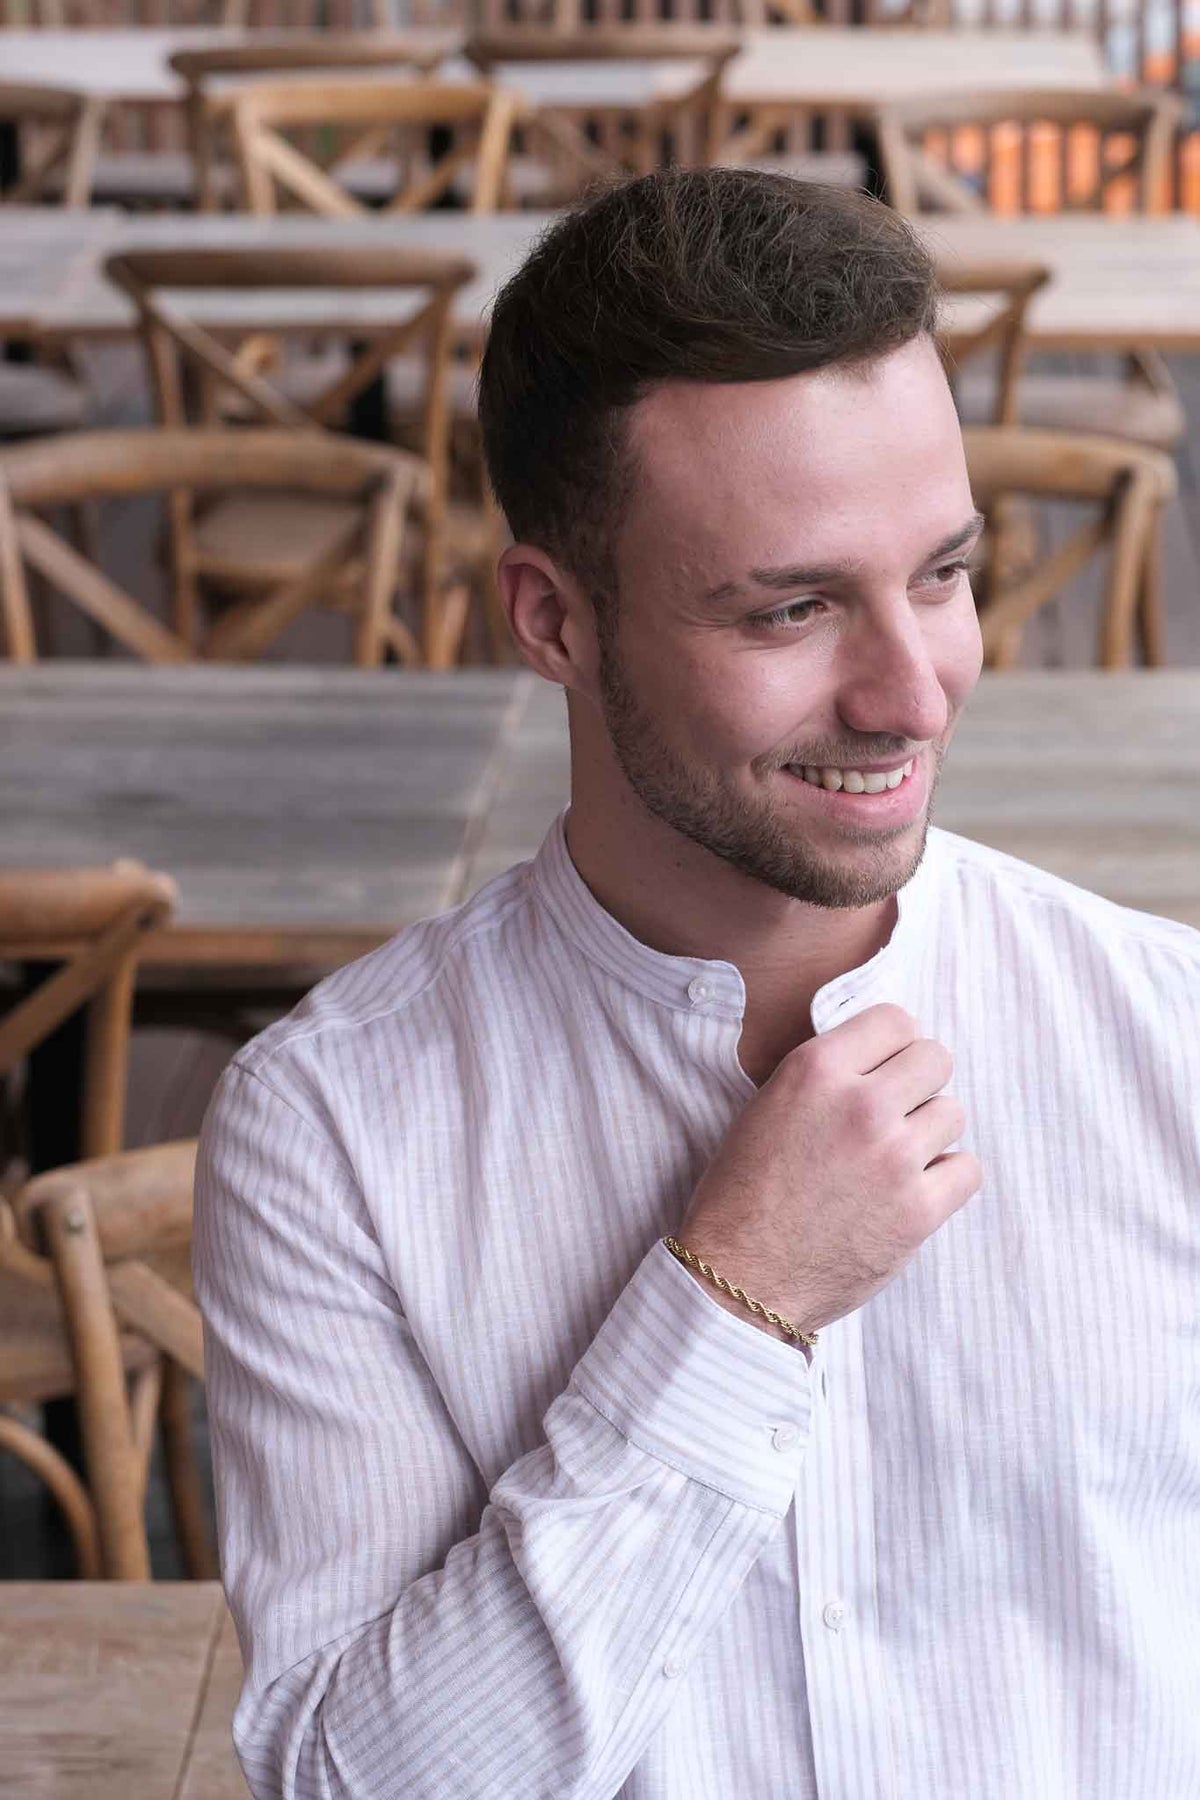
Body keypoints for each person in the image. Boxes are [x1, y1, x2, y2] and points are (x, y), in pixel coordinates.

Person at [194, 170, 1200, 1800]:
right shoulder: (331, 1133)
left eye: (941, 575)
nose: (912, 693)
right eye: (793, 608)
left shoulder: (1174, 1041)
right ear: (553, 619)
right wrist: (732, 1305)